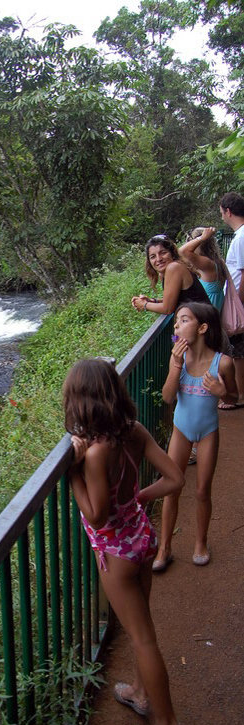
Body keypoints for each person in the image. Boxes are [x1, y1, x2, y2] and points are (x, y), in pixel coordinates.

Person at [63, 358, 186, 725]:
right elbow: (175, 478)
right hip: (142, 538)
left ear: (81, 403)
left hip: (116, 554)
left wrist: (74, 474)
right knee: (142, 626)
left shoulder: (96, 453)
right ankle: (139, 692)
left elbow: (97, 515)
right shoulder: (132, 430)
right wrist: (139, 497)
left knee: (142, 637)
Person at [153, 303, 237, 572]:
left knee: (202, 490)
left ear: (202, 328)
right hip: (181, 430)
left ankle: (200, 543)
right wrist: (176, 365)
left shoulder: (222, 363)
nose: (177, 325)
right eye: (176, 321)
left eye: (183, 320)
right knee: (172, 487)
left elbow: (234, 397)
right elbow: (168, 397)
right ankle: (165, 548)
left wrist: (221, 392)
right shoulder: (178, 359)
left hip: (208, 432)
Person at [131, 234, 209, 316]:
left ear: (172, 253)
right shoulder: (165, 273)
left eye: (163, 253)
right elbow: (177, 300)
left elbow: (167, 309)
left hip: (203, 320)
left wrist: (144, 305)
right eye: (153, 257)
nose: (158, 259)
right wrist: (152, 301)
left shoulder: (174, 267)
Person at [219, 192, 244, 407]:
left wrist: (239, 302)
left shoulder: (242, 237)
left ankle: (239, 395)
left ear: (228, 211)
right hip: (237, 300)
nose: (221, 217)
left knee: (237, 352)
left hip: (239, 302)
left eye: (221, 212)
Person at [178, 226, 229, 311]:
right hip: (213, 310)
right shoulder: (217, 261)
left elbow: (182, 252)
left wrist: (201, 238)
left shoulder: (207, 263)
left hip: (206, 312)